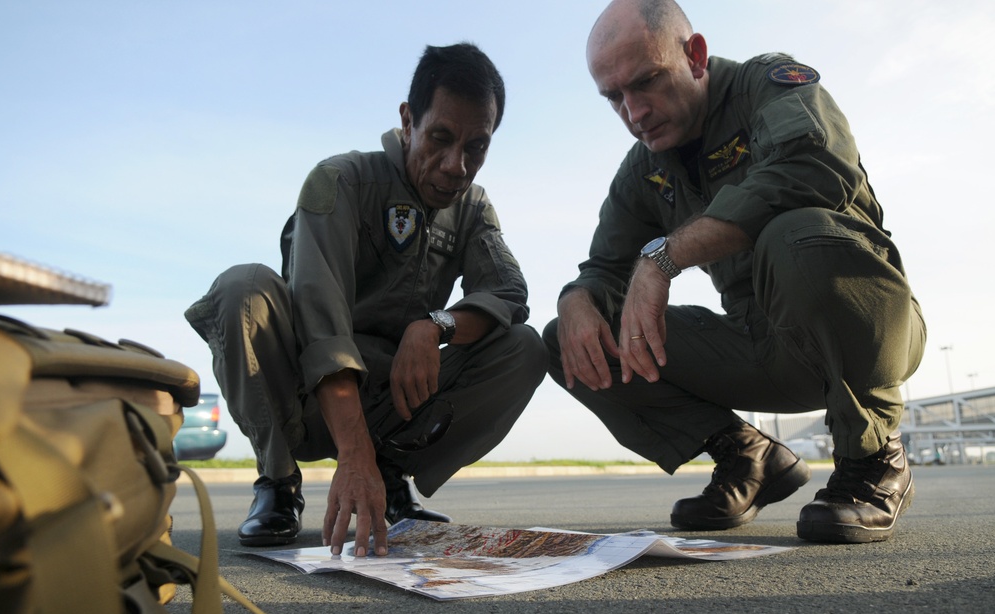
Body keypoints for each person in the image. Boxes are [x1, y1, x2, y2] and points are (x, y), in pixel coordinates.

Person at [544, 0, 925, 544]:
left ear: (694, 55)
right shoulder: (646, 168)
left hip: (869, 330)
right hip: (763, 348)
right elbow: (601, 267)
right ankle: (747, 457)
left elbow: (813, 167)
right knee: (571, 341)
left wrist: (663, 258)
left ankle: (874, 456)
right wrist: (576, 299)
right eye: (615, 98)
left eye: (647, 81)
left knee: (793, 235)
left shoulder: (768, 85)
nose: (634, 111)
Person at [186, 43, 547, 557]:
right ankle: (277, 482)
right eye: (441, 138)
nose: (456, 166)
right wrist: (352, 457)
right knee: (241, 288)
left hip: (393, 402)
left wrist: (436, 325)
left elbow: (508, 293)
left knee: (524, 347)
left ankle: (391, 472)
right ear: (408, 120)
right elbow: (320, 324)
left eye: (477, 148)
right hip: (307, 394)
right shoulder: (340, 182)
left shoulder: (472, 209)